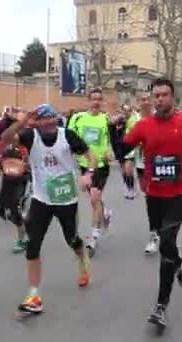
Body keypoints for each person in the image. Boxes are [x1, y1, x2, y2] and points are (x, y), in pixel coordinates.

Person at [123, 78, 182, 330]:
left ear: (173, 98)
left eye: (164, 95)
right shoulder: (143, 125)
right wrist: (126, 158)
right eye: (156, 95)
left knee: (167, 242)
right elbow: (125, 144)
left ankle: (161, 306)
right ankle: (179, 263)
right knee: (165, 242)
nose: (159, 99)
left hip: (179, 191)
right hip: (154, 192)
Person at [1, 104, 96, 314]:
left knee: (71, 239)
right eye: (46, 118)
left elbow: (91, 155)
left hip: (66, 198)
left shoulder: (67, 135)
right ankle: (34, 295)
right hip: (41, 199)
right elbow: (6, 139)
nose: (51, 121)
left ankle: (82, 258)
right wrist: (22, 122)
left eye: (53, 116)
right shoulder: (29, 135)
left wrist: (88, 174)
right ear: (38, 121)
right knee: (33, 245)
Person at [68, 89, 113, 257]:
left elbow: (108, 140)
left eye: (99, 100)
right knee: (96, 201)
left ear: (102, 102)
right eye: (93, 99)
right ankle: (105, 213)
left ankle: (93, 237)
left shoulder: (105, 119)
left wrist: (109, 152)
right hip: (84, 165)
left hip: (101, 164)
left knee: (95, 198)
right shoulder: (77, 118)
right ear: (88, 101)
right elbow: (69, 139)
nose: (96, 102)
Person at [132, 92, 160, 254]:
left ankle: (154, 235)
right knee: (149, 196)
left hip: (159, 164)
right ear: (138, 102)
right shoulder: (133, 120)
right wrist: (127, 161)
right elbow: (127, 140)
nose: (146, 102)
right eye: (143, 100)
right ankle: (157, 229)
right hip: (141, 163)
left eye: (149, 99)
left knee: (156, 197)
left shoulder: (159, 118)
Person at [0, 132, 29, 253]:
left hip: (20, 182)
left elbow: (28, 165)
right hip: (7, 182)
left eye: (15, 137)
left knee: (15, 210)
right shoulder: (2, 148)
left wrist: (25, 164)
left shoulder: (24, 149)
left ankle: (21, 240)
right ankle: (27, 225)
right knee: (6, 212)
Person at [120, 105, 139, 199]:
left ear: (130, 111)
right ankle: (128, 187)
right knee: (123, 171)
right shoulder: (121, 121)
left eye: (127, 111)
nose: (125, 113)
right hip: (121, 148)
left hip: (131, 148)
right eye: (123, 111)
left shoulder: (134, 120)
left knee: (128, 169)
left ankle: (132, 189)